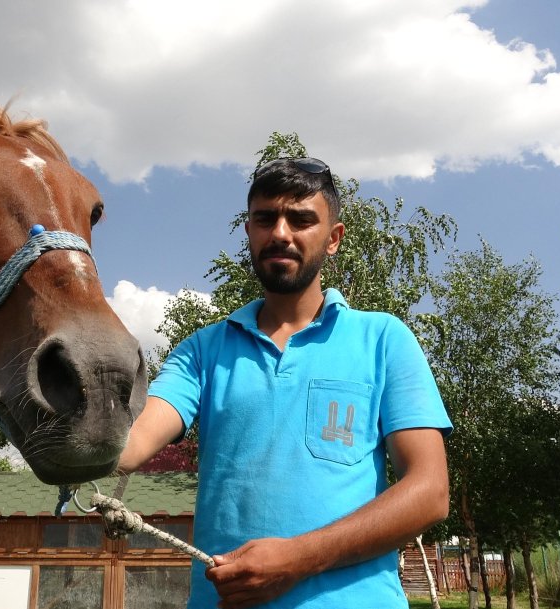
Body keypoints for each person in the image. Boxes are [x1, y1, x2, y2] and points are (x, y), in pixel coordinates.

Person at [117, 157, 452, 609]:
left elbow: (430, 493)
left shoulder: (384, 340)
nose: (280, 233)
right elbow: (130, 444)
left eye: (301, 219)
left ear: (333, 239)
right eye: (264, 218)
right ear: (250, 232)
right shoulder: (202, 351)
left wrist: (297, 559)